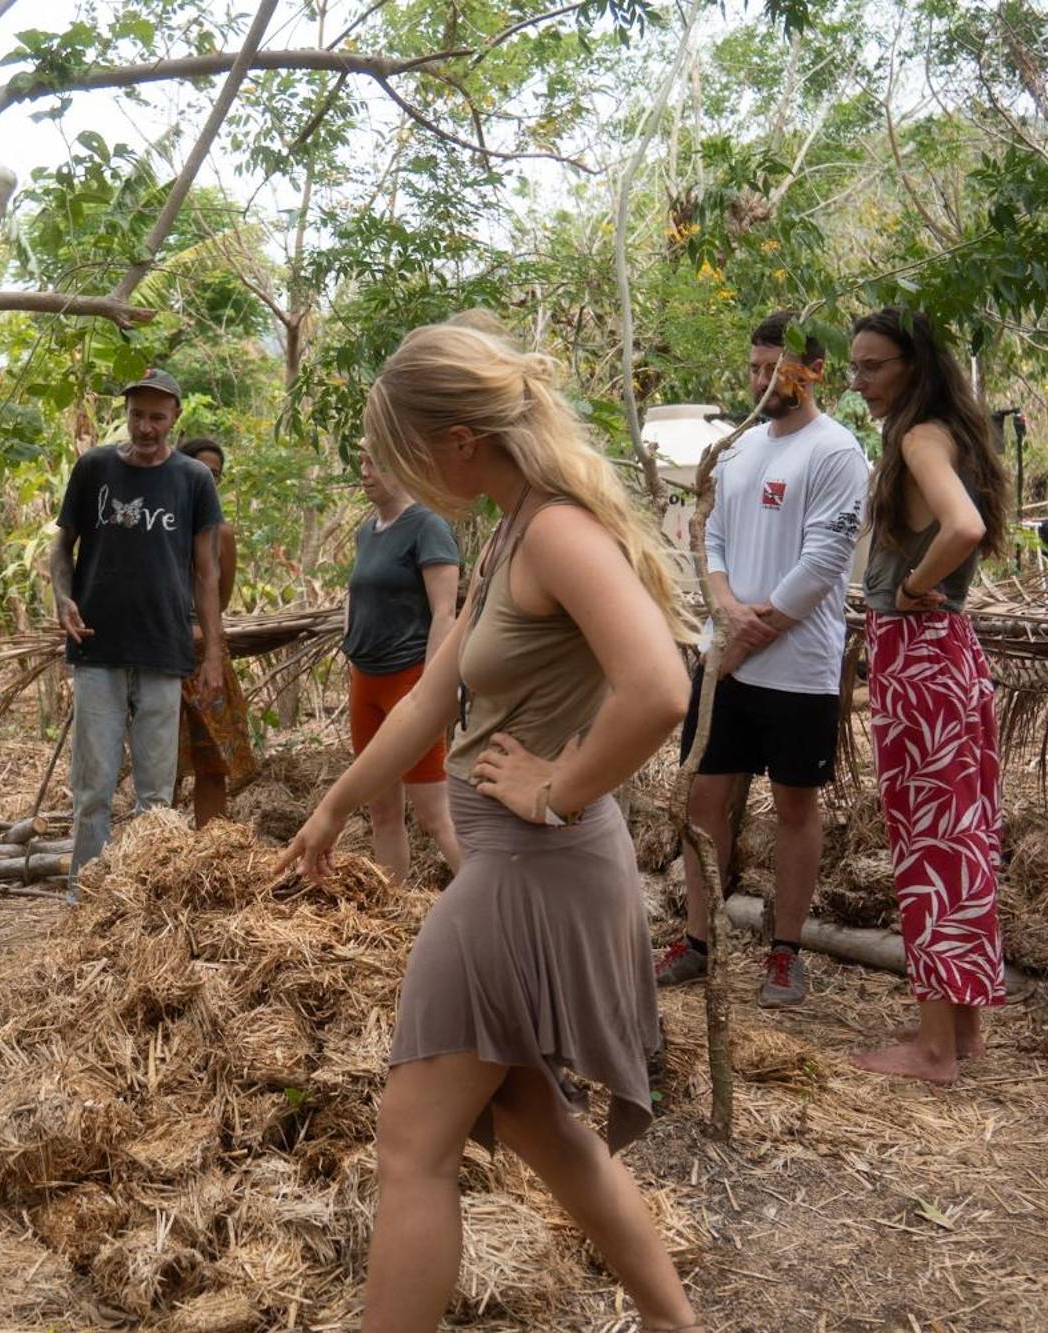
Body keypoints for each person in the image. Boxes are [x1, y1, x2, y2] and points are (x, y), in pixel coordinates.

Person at [276, 319, 702, 1333]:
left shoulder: (554, 529)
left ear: (458, 436)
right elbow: (429, 699)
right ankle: (677, 1326)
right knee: (537, 1125)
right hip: (530, 863)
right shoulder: (510, 527)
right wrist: (334, 806)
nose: (406, 472)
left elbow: (656, 688)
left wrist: (554, 786)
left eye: (410, 448)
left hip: (531, 866)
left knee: (409, 1146)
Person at [656, 311, 869, 1008]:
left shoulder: (837, 453)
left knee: (793, 803)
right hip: (727, 660)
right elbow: (707, 531)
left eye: (770, 370)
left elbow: (822, 563)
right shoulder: (738, 449)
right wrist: (722, 602)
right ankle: (697, 939)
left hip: (796, 665)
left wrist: (749, 633)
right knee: (705, 795)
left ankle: (785, 950)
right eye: (752, 368)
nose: (757, 382)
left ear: (812, 371)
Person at [846, 307, 1012, 1084]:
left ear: (914, 366)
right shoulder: (951, 433)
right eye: (854, 366)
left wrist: (914, 583)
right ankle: (965, 1029)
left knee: (929, 848)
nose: (859, 381)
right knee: (963, 839)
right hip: (952, 657)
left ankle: (934, 1048)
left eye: (873, 366)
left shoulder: (918, 439)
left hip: (918, 659)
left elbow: (962, 526)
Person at [52, 370, 226, 883]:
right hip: (96, 647)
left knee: (157, 794)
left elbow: (206, 572)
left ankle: (149, 899)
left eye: (157, 417)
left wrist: (212, 652)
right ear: (126, 414)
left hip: (164, 648)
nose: (145, 427)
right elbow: (63, 546)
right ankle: (85, 899)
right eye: (137, 415)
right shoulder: (95, 468)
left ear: (175, 417)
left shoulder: (193, 480)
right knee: (93, 789)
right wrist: (63, 596)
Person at [344, 442, 464, 881]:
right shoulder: (367, 530)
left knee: (435, 814)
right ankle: (391, 909)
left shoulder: (428, 526)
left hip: (409, 681)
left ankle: (490, 909)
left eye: (376, 463)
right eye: (362, 462)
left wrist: (431, 690)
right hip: (366, 679)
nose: (366, 471)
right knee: (380, 806)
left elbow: (445, 614)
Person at [174, 437, 257, 826]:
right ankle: (158, 845)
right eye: (200, 472)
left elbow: (217, 600)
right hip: (158, 654)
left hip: (205, 657)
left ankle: (209, 848)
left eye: (216, 476)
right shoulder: (160, 522)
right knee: (162, 761)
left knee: (213, 760)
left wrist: (204, 639)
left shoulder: (221, 533)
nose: (208, 481)